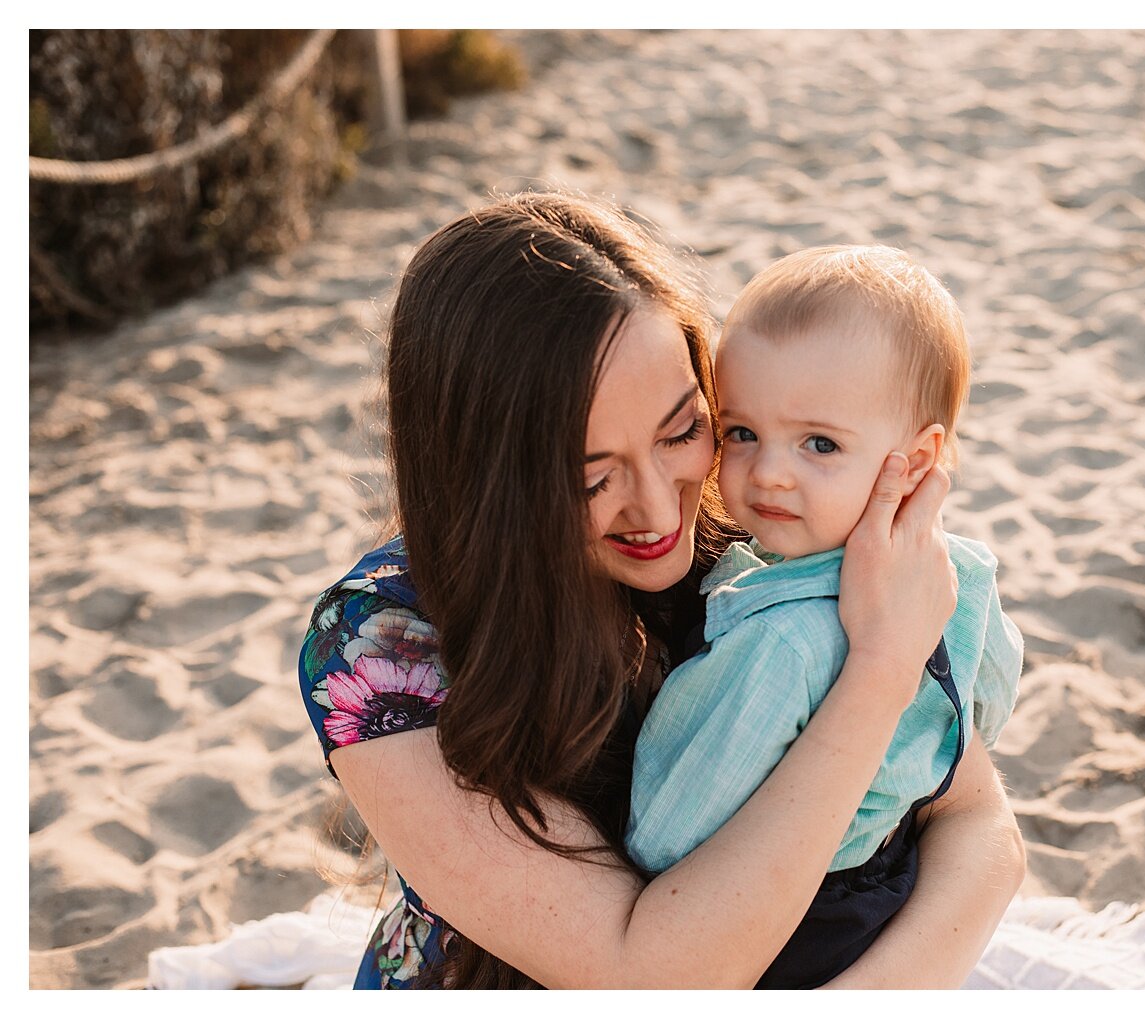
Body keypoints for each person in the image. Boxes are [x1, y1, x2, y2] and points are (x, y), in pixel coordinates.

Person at [297, 190, 1026, 989]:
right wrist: (880, 672)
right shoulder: (376, 646)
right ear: (489, 480)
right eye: (589, 476)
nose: (657, 508)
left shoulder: (751, 518)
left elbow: (978, 825)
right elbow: (650, 978)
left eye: (683, 429)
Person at [626, 245, 1024, 988]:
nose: (770, 470)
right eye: (742, 432)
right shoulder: (958, 573)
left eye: (819, 443)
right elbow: (985, 703)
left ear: (916, 458)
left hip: (791, 933)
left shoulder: (780, 637)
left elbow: (666, 828)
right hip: (893, 879)